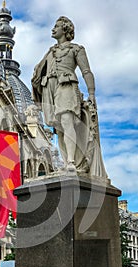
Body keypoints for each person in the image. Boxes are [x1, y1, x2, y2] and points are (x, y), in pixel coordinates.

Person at [32, 16, 104, 175]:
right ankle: (66, 162)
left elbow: (86, 72)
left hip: (67, 86)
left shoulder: (76, 49)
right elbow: (39, 71)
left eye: (56, 26)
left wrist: (91, 93)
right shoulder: (50, 52)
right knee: (59, 128)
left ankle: (71, 161)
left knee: (66, 120)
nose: (53, 29)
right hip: (50, 88)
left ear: (65, 29)